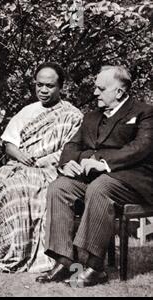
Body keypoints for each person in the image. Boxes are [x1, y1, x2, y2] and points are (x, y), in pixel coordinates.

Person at [37, 65, 153, 287]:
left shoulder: (145, 113)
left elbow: (141, 148)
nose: (95, 93)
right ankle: (64, 261)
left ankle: (94, 265)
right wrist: (68, 164)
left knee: (100, 187)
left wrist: (102, 162)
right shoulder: (91, 116)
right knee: (59, 187)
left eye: (101, 89)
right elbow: (73, 144)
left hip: (133, 181)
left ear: (119, 91)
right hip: (95, 180)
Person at [0, 62, 83, 273]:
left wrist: (43, 160)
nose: (43, 90)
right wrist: (21, 156)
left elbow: (70, 151)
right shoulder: (27, 111)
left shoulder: (73, 116)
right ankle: (1, 243)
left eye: (49, 86)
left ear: (61, 87)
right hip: (19, 164)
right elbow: (8, 143)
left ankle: (16, 256)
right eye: (39, 85)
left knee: (17, 189)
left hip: (50, 171)